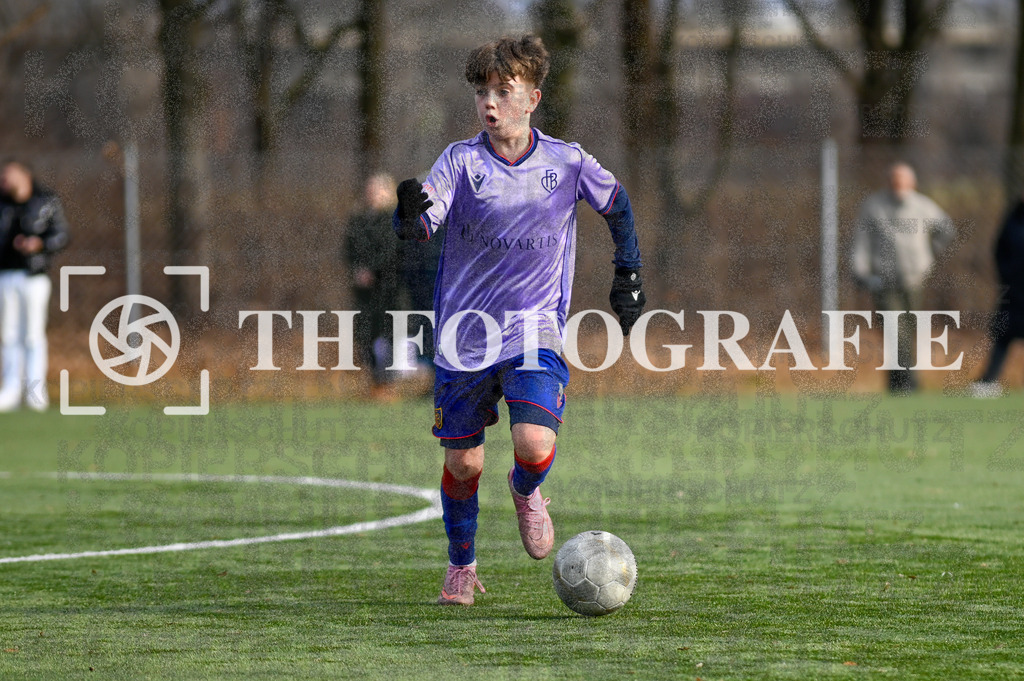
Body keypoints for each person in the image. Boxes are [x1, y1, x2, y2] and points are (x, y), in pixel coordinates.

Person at [391, 35, 645, 605]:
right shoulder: (460, 161)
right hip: (463, 333)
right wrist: (407, 219)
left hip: (534, 327)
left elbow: (619, 205)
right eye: (482, 92)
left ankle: (526, 490)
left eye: (502, 92)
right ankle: (462, 567)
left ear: (530, 98)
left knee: (532, 443)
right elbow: (424, 220)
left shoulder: (568, 161)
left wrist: (627, 274)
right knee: (462, 460)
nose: (489, 103)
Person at [851, 162, 955, 394]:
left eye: (903, 181)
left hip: (914, 278)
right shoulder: (874, 206)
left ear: (912, 183)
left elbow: (945, 229)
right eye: (894, 180)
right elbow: (862, 243)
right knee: (894, 328)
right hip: (883, 279)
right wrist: (860, 271)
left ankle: (896, 384)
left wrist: (929, 255)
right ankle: (910, 383)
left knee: (905, 331)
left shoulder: (922, 206)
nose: (898, 185)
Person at [0, 160, 70, 412]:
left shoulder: (45, 201)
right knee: (8, 334)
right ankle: (9, 390)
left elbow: (61, 235)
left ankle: (35, 392)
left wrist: (38, 244)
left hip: (33, 276)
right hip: (5, 275)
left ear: (23, 175)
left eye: (8, 175)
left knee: (32, 334)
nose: (4, 181)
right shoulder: (2, 204)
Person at [344, 172, 400, 398]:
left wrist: (373, 271)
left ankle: (387, 384)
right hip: (363, 292)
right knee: (365, 335)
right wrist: (357, 270)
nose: (374, 194)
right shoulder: (357, 221)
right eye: (371, 189)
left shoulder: (396, 221)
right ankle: (375, 383)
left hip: (389, 290)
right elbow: (348, 250)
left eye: (379, 189)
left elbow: (392, 252)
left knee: (387, 337)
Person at [970, 196, 1024, 397]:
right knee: (1003, 334)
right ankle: (989, 381)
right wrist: (1008, 274)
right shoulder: (1014, 218)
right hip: (1013, 289)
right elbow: (1000, 249)